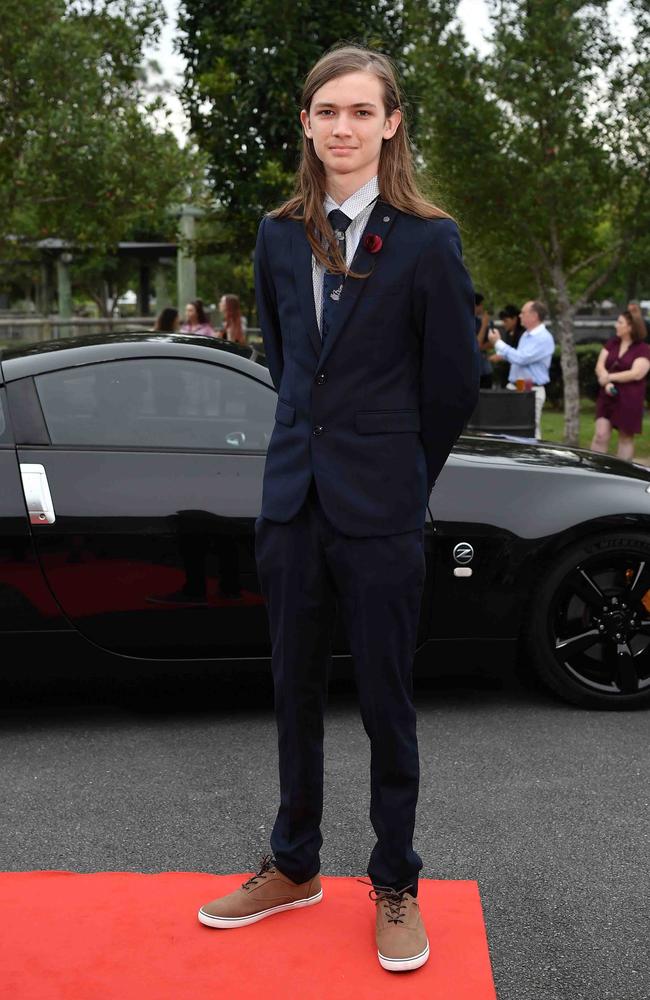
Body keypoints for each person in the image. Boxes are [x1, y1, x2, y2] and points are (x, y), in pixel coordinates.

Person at [197, 44, 479, 973]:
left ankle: (395, 877)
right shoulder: (279, 234)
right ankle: (293, 863)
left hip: (382, 510)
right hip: (291, 505)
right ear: (308, 124)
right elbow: (287, 368)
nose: (343, 128)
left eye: (362, 112)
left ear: (391, 123)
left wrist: (401, 476)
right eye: (327, 112)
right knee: (291, 694)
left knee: (388, 705)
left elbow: (450, 386)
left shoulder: (429, 238)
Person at [488, 300, 554, 439]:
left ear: (534, 316)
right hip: (517, 388)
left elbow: (521, 358)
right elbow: (517, 358)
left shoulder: (543, 338)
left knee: (528, 433)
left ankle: (534, 460)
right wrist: (501, 349)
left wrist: (498, 343)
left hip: (530, 391)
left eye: (523, 313)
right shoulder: (526, 335)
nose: (519, 315)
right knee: (509, 432)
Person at [591, 309, 650, 461]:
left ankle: (623, 474)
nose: (616, 325)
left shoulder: (643, 349)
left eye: (620, 322)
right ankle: (594, 469)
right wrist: (606, 382)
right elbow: (599, 366)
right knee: (600, 434)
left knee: (625, 438)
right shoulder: (612, 343)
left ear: (630, 327)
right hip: (607, 394)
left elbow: (637, 373)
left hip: (629, 398)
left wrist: (609, 377)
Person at [475, 292, 494, 388]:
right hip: (473, 370)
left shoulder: (487, 321)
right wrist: (483, 325)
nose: (482, 307)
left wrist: (480, 346)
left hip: (485, 368)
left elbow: (493, 343)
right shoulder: (467, 321)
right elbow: (476, 345)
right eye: (481, 304)